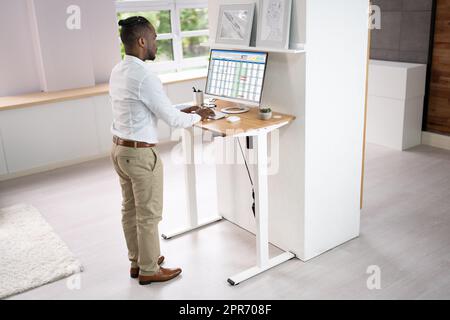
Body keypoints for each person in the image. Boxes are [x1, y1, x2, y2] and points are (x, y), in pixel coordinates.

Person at [109, 16, 213, 285]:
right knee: (149, 214)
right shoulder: (145, 76)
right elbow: (174, 121)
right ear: (142, 41)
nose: (156, 42)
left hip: (120, 151)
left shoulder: (119, 70)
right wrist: (200, 116)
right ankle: (149, 269)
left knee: (130, 210)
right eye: (154, 38)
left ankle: (138, 261)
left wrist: (186, 109)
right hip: (141, 155)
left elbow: (152, 108)